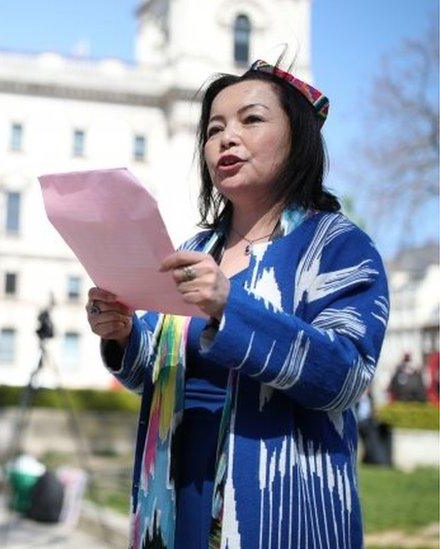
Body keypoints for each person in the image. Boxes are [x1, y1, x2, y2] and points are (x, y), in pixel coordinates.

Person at [86, 60, 389, 547]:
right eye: (214, 129)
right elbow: (151, 373)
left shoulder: (337, 245)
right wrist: (122, 334)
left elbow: (347, 376)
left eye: (252, 119)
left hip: (280, 508)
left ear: (298, 138)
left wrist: (232, 307)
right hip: (177, 492)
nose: (227, 138)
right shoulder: (195, 247)